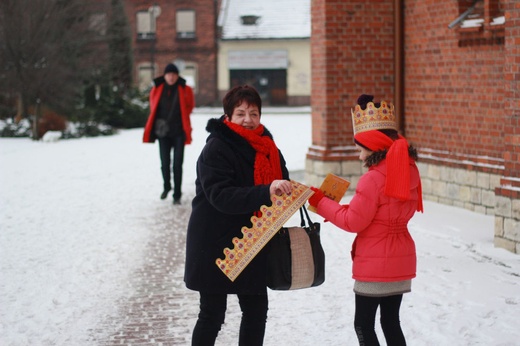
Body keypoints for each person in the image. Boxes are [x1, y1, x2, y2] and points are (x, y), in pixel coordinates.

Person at [307, 94, 423, 346]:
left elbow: (353, 222)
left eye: (361, 149)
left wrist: (320, 202)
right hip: (400, 259)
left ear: (373, 146)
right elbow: (384, 211)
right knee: (391, 322)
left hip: (375, 264)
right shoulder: (408, 168)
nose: (359, 157)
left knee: (363, 324)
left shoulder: (373, 178)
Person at [184, 85, 293, 345]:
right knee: (212, 315)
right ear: (228, 116)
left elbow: (282, 179)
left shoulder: (267, 146)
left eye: (254, 113)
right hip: (215, 242)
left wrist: (288, 190)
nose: (248, 120)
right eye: (241, 113)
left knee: (256, 313)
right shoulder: (217, 148)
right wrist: (267, 191)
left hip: (253, 238)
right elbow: (221, 196)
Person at [143, 63, 195, 205]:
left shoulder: (185, 89)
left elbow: (190, 106)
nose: (171, 77)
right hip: (163, 132)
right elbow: (153, 106)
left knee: (178, 164)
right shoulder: (157, 88)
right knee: (165, 162)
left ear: (177, 76)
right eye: (169, 74)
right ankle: (167, 186)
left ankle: (177, 194)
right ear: (164, 75)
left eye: (174, 75)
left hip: (179, 132)